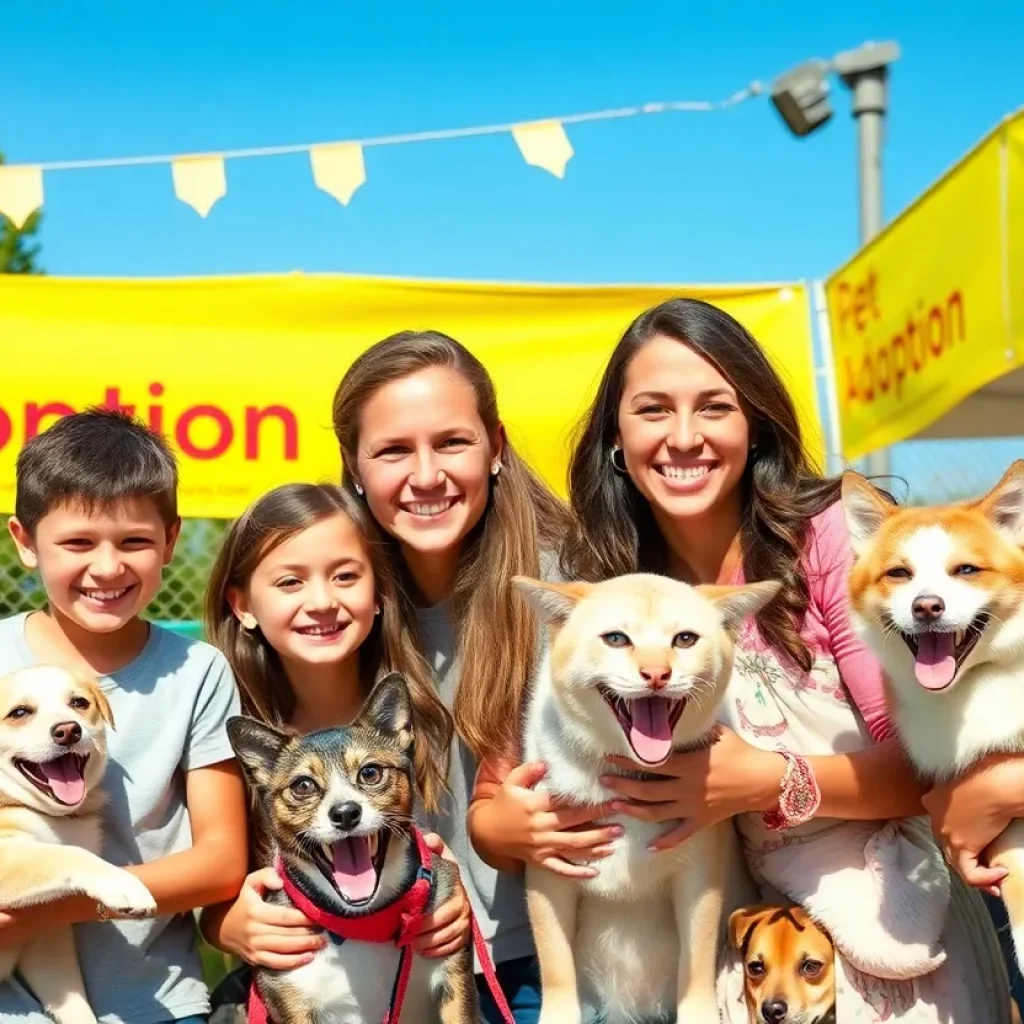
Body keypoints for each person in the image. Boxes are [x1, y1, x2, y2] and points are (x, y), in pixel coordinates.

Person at [471, 297, 1010, 1021]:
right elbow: (500, 785)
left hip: (896, 932)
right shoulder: (596, 577)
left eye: (714, 407)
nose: (684, 437)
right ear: (614, 439)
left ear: (755, 422)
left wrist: (768, 782)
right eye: (653, 410)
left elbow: (930, 764)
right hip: (745, 962)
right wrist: (501, 829)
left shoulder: (829, 542)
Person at [331, 329, 583, 1023]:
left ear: (496, 445)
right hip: (401, 964)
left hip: (558, 961)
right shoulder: (343, 601)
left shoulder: (569, 592)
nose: (426, 474)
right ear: (354, 467)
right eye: (392, 450)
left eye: (451, 442)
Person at [0, 408, 248, 1024]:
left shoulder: (199, 672)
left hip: (158, 1003)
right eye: (78, 543)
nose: (107, 567)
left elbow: (220, 862)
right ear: (25, 543)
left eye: (134, 541)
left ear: (170, 539)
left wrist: (62, 898)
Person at [198, 482, 469, 993]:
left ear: (381, 592)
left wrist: (457, 900)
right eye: (290, 583)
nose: (321, 601)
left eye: (345, 576)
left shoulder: (432, 707)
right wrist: (227, 927)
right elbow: (220, 892)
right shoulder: (226, 724)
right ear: (242, 605)